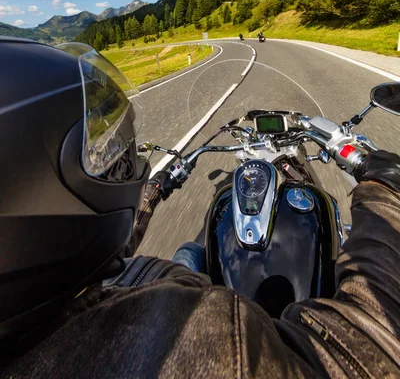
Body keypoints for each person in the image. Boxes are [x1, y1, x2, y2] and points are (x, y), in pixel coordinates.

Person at [1, 37, 400, 378]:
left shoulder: (54, 304)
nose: (123, 161)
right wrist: (384, 186)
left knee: (194, 247)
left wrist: (153, 193)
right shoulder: (215, 349)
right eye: (105, 155)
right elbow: (372, 350)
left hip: (150, 280)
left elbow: (95, 249)